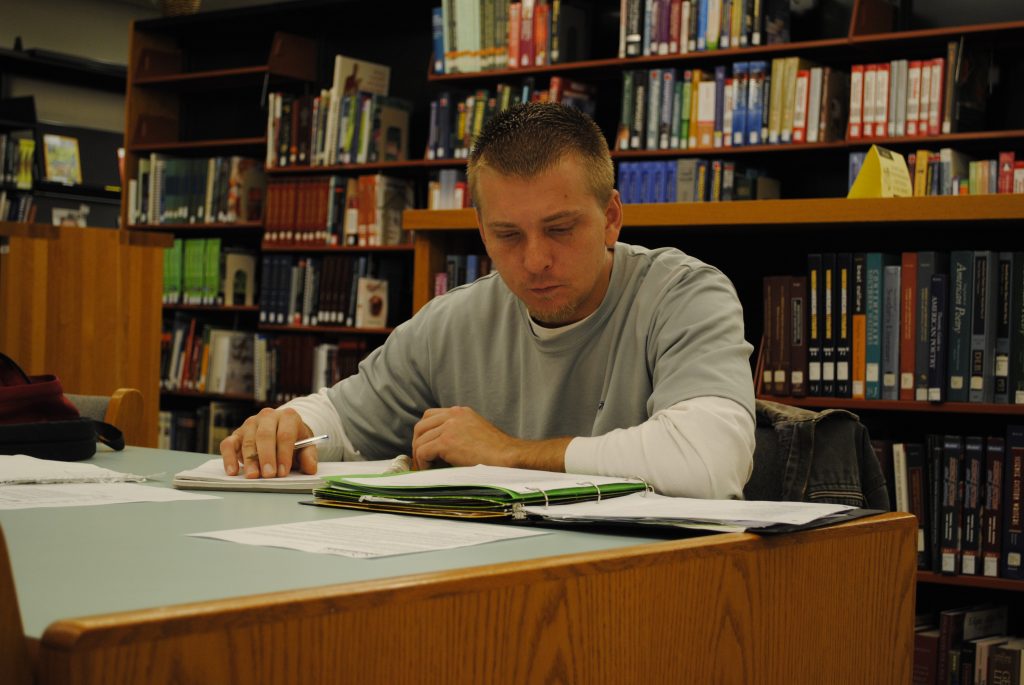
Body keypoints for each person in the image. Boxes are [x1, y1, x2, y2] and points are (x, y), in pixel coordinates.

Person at [221, 102, 756, 498]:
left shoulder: (685, 294)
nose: (535, 260)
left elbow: (709, 463)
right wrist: (286, 424)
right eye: (508, 235)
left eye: (560, 228)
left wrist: (506, 454)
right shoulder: (454, 320)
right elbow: (341, 416)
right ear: (480, 230)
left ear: (611, 217)